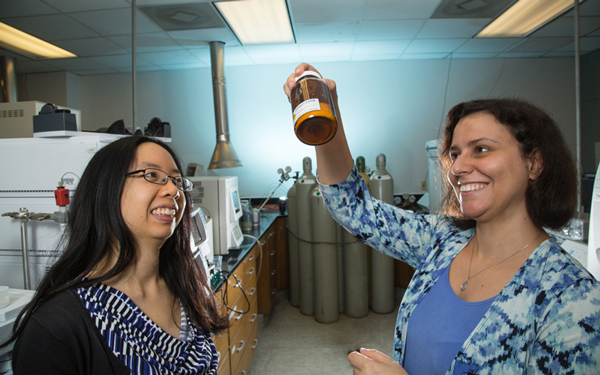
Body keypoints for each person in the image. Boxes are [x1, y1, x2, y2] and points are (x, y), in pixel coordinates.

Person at [284, 63, 600, 375]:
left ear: (534, 163)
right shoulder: (443, 240)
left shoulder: (572, 296)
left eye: (481, 149)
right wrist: (327, 122)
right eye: (455, 153)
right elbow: (354, 208)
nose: (458, 168)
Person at [1, 136, 228, 374]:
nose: (173, 190)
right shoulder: (55, 328)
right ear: (106, 190)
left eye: (177, 180)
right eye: (151, 175)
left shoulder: (186, 287)